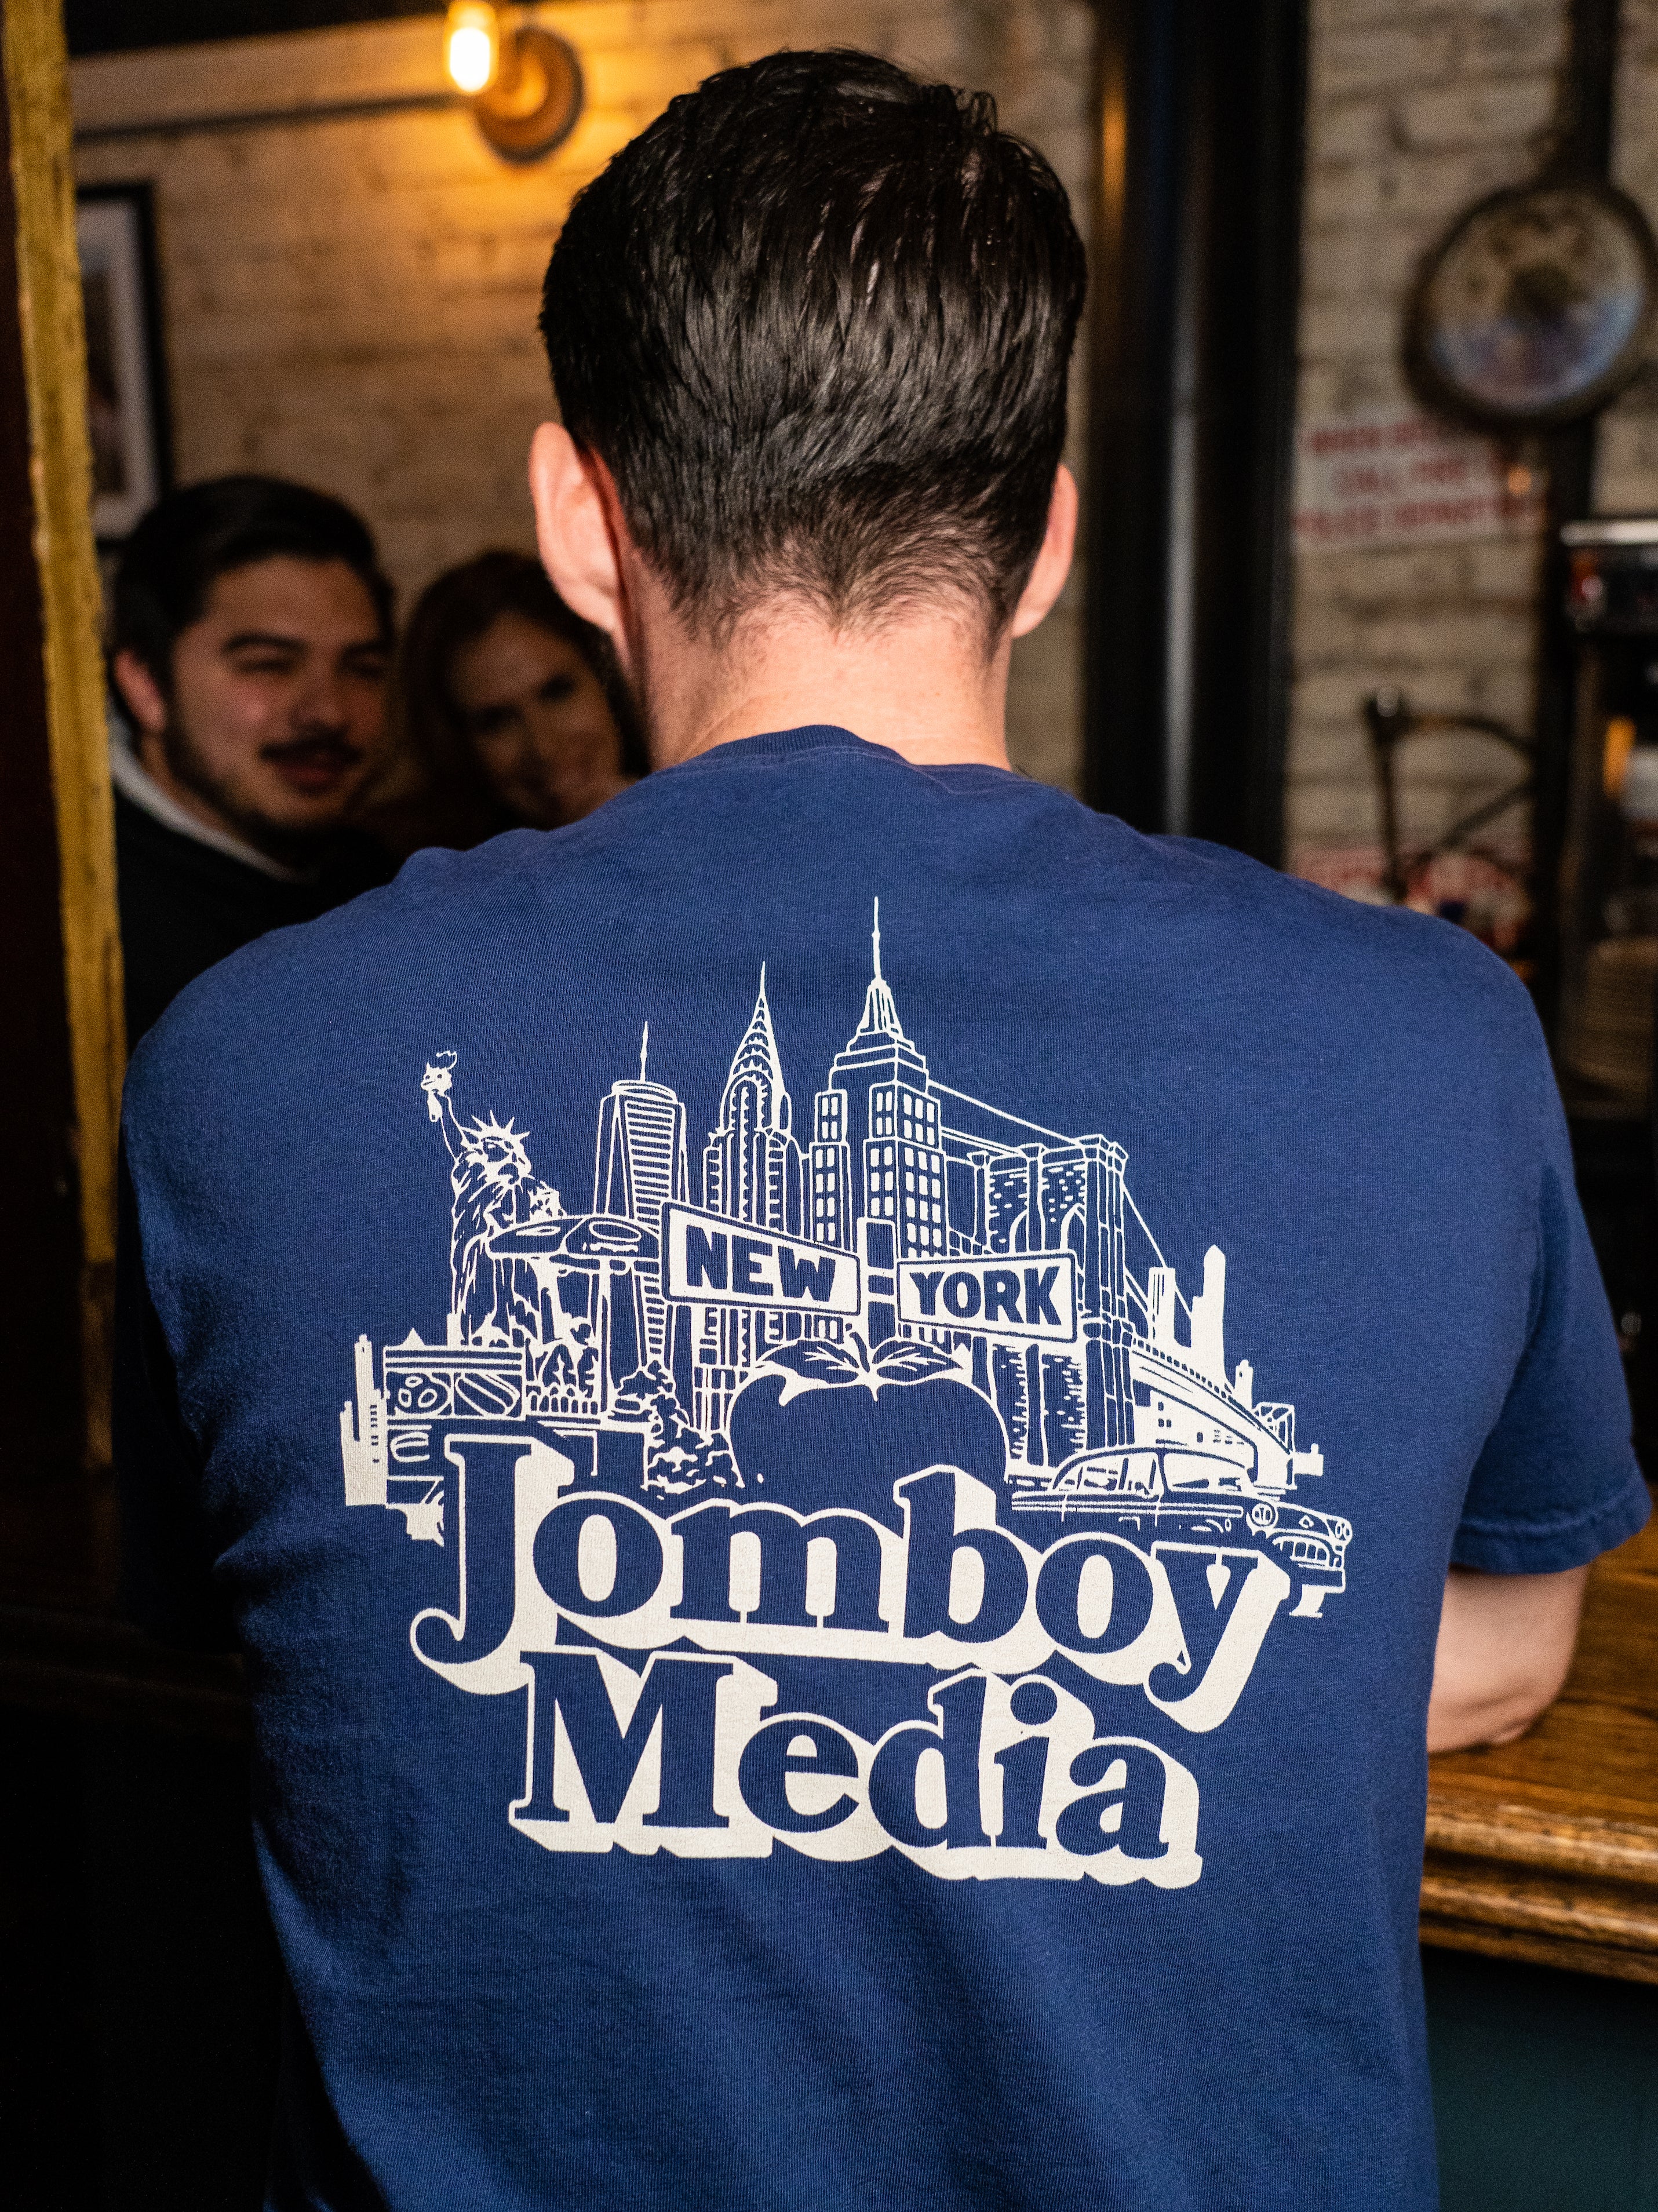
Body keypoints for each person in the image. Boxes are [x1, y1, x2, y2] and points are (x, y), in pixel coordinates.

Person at [115, 51, 1648, 2212]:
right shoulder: (1435, 1036)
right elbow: (1508, 1648)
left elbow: (309, 1629)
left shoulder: (239, 1060)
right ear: (1043, 546)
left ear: (580, 519)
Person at [108, 475, 396, 1042]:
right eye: (269, 664)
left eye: (361, 669)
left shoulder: (386, 886)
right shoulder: (74, 927)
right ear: (146, 684)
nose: (328, 712)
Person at [377, 549, 644, 851]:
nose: (544, 748)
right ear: (456, 745)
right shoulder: (436, 885)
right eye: (496, 722)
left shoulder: (701, 804)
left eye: (557, 693)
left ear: (606, 676)